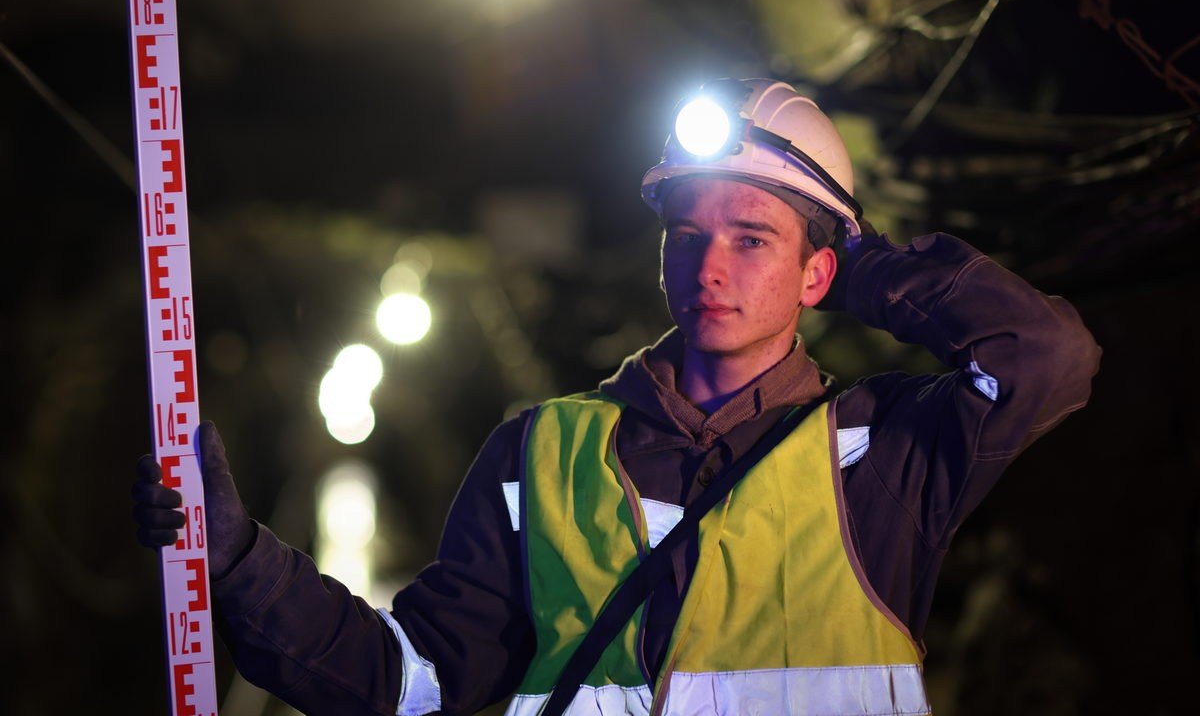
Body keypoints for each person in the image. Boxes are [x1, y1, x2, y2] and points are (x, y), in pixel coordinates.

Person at [132, 78, 1101, 716]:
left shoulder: (882, 454)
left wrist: (862, 264)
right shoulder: (541, 454)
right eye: (689, 233)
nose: (709, 264)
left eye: (752, 238)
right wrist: (240, 562)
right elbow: (405, 681)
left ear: (818, 273)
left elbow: (1047, 356)